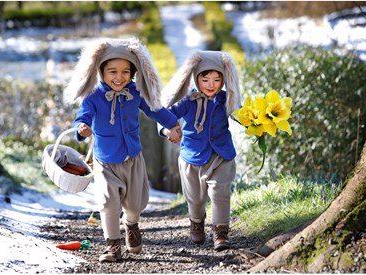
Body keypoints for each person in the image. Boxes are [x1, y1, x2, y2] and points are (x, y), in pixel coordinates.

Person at [64, 37, 181, 262]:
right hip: (105, 160)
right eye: (113, 72)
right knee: (108, 202)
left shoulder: (135, 92)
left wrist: (173, 124)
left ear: (133, 73)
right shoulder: (93, 96)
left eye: (125, 72)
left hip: (133, 157)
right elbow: (82, 116)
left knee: (135, 204)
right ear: (100, 72)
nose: (119, 77)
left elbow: (155, 110)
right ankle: (112, 246)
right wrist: (82, 128)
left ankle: (131, 223)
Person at [159, 50, 242, 251]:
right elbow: (165, 114)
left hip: (221, 154)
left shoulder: (226, 98)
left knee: (220, 192)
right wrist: (166, 129)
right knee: (195, 198)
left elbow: (241, 114)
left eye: (216, 79)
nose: (211, 84)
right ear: (196, 79)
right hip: (192, 156)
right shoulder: (187, 100)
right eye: (205, 79)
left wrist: (257, 125)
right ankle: (196, 222)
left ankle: (221, 232)